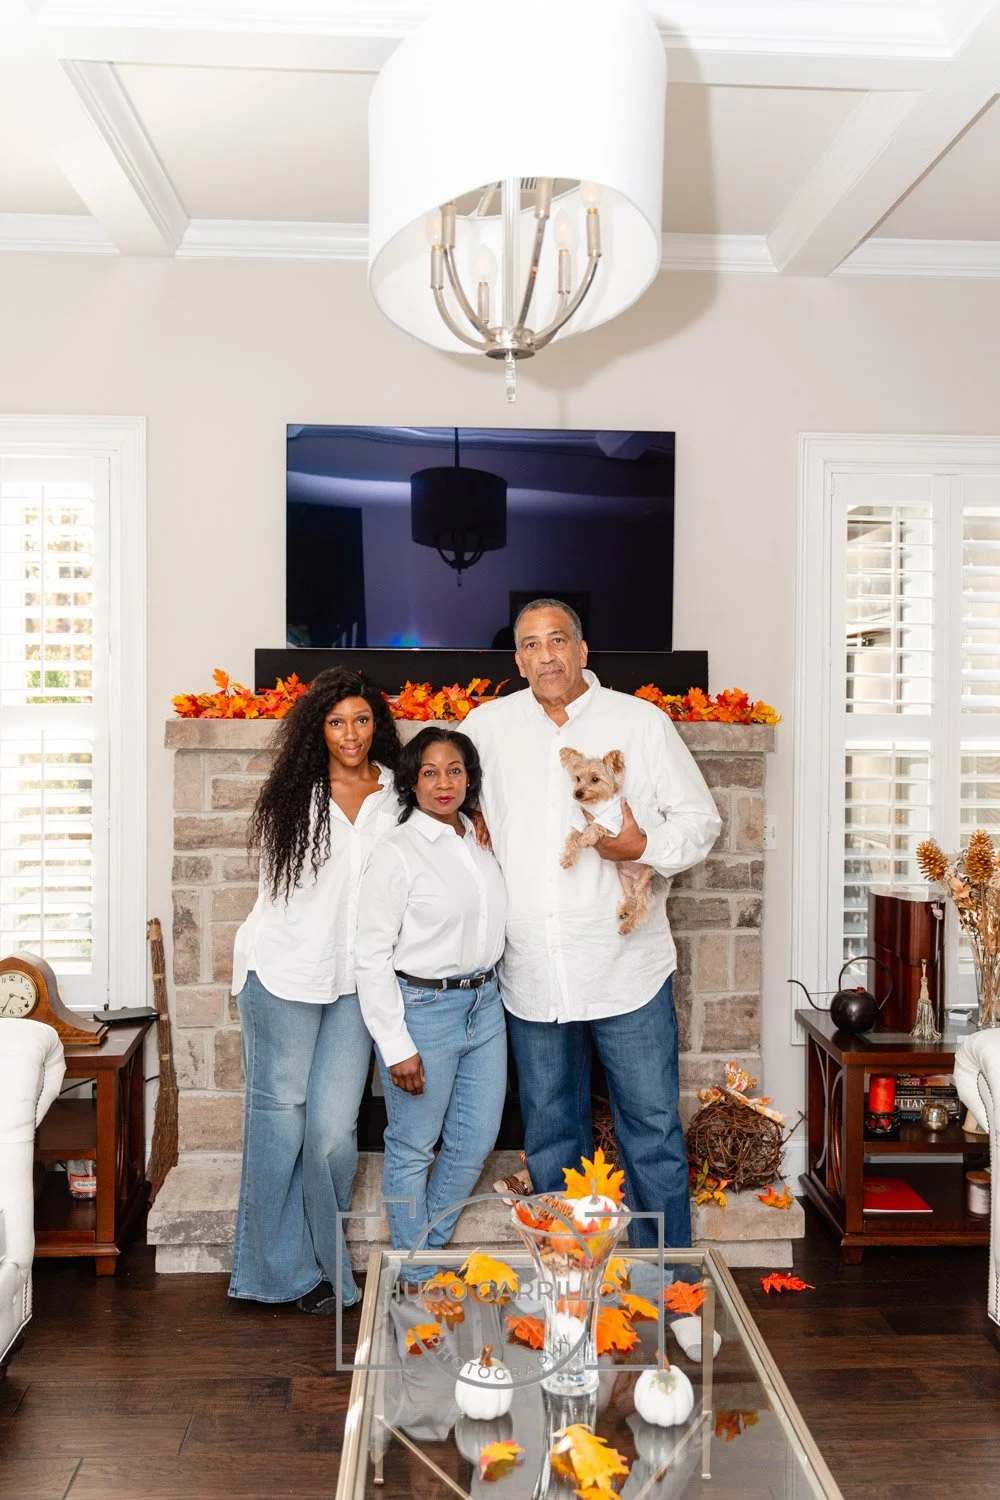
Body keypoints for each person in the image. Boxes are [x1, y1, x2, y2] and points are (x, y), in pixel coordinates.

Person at [462, 598, 721, 1251]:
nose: (545, 654)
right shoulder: (486, 726)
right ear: (518, 659)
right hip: (531, 968)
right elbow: (449, 805)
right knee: (552, 1138)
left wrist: (641, 847)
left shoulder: (641, 722)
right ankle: (571, 1280)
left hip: (624, 967)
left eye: (557, 640)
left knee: (652, 1130)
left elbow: (700, 822)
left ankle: (667, 1283)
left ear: (581, 650)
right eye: (530, 644)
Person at [228, 667, 401, 1313]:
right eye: (336, 722)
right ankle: (277, 1273)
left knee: (331, 1133)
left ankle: (325, 1263)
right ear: (318, 729)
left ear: (376, 724)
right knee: (280, 1125)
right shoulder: (295, 792)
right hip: (284, 972)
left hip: (357, 982)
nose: (350, 733)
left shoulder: (397, 795)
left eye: (361, 720)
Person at [354, 728, 507, 1280]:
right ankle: (416, 1276)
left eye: (455, 771)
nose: (444, 783)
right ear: (412, 782)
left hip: (485, 1005)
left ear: (470, 779)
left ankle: (422, 1252)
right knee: (413, 1147)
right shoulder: (397, 852)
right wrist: (395, 1044)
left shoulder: (482, 838)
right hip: (423, 1008)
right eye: (430, 772)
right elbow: (370, 952)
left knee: (474, 1141)